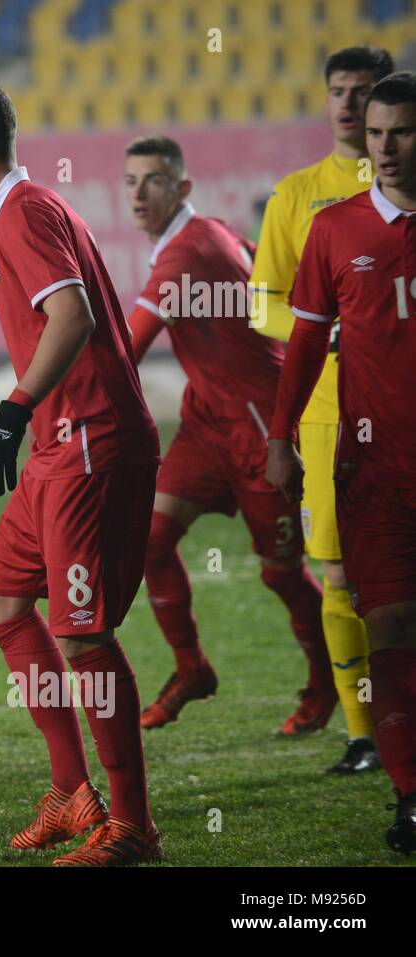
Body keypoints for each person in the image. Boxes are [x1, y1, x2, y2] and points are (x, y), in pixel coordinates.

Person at [0, 76, 161, 865]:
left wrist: (11, 410)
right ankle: (69, 791)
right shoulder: (14, 216)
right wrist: (27, 418)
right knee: (1, 597)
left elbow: (73, 316)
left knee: (85, 638)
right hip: (59, 445)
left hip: (90, 444)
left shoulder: (22, 213)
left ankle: (131, 829)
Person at [121, 136, 335, 736]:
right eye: (130, 181)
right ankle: (192, 669)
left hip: (261, 431)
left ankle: (327, 685)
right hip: (207, 425)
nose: (138, 192)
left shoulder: (187, 253)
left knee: (281, 574)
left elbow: (125, 352)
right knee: (150, 541)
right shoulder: (208, 236)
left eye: (153, 180)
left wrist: (47, 397)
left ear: (183, 188)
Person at [266, 70, 416, 855]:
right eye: (380, 132)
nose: (386, 147)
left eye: (403, 132)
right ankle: (408, 792)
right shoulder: (334, 229)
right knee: (386, 622)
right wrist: (281, 437)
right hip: (373, 471)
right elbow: (301, 343)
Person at [251, 46, 393, 768]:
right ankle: (364, 732)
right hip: (327, 414)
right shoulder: (297, 196)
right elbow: (263, 304)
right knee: (338, 573)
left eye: (360, 92)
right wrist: (323, 325)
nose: (345, 103)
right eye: (336, 90)